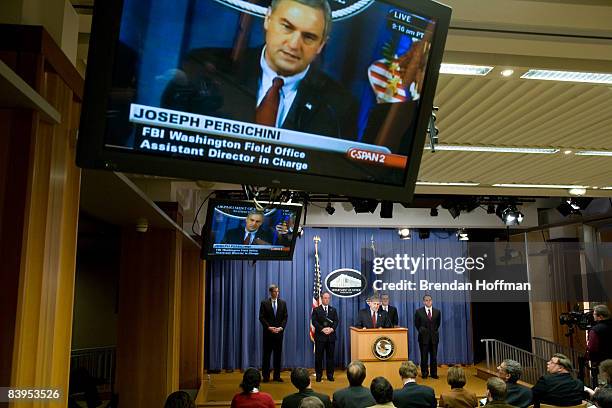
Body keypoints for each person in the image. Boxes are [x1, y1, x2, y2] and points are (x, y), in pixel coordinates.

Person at [162, 0, 358, 140]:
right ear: (267, 19)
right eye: (287, 27)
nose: (293, 44)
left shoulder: (339, 105)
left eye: (309, 37)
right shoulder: (204, 68)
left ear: (322, 45)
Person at [259, 284, 289, 382]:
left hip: (279, 334)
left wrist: (281, 327)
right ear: (270, 292)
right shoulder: (264, 303)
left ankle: (277, 376)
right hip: (268, 334)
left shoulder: (283, 303)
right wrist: (269, 327)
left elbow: (285, 317)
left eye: (278, 291)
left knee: (278, 356)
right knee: (266, 356)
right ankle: (266, 377)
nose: (276, 293)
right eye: (275, 291)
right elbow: (261, 317)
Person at [312, 292, 339, 382]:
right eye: (325, 298)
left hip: (331, 337)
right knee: (318, 358)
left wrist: (332, 329)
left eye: (328, 298)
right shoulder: (316, 310)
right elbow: (314, 322)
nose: (327, 300)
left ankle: (330, 375)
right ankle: (319, 375)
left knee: (330, 357)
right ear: (321, 299)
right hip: (320, 337)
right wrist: (322, 329)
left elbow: (336, 321)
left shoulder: (333, 310)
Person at [414, 294, 441, 379]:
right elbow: (417, 324)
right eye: (426, 300)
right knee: (424, 356)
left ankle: (434, 373)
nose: (428, 301)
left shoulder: (437, 312)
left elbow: (438, 324)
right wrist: (423, 332)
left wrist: (433, 332)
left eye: (429, 300)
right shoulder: (419, 311)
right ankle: (424, 373)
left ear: (432, 301)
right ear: (423, 302)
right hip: (423, 338)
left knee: (434, 357)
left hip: (434, 338)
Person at [588, 305, 612, 387]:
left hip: (602, 363)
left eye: (594, 314)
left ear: (600, 317)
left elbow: (592, 348)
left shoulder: (595, 330)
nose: (593, 316)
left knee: (603, 386)